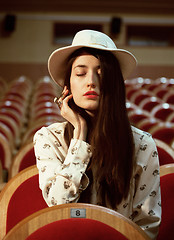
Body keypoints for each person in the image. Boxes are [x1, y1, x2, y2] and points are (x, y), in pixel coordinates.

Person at [33, 29, 161, 239]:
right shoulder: (48, 138)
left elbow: (146, 226)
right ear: (67, 88)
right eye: (81, 73)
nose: (91, 81)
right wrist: (80, 134)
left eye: (101, 73)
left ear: (115, 85)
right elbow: (58, 204)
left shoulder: (142, 143)